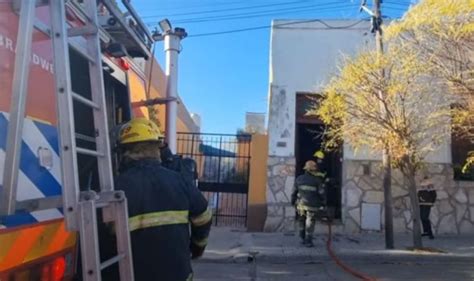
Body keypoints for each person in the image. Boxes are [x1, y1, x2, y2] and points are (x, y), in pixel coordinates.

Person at [113, 119, 212, 281]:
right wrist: (197, 248)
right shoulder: (180, 181)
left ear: (124, 152)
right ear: (157, 148)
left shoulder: (115, 190)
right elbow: (204, 217)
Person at [291, 160, 327, 247]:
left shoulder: (299, 179)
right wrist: (324, 203)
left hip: (301, 205)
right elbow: (322, 193)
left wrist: (293, 202)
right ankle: (308, 240)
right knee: (310, 221)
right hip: (312, 205)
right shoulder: (317, 181)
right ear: (313, 170)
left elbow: (294, 192)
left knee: (301, 220)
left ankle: (302, 237)